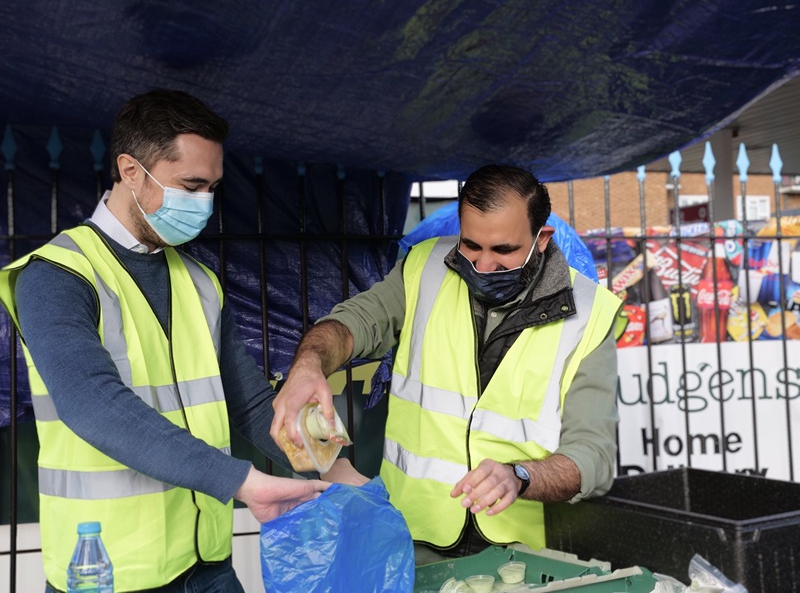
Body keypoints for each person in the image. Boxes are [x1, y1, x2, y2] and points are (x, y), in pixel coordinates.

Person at [0, 89, 329, 593]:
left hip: (206, 563)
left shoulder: (198, 281)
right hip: (107, 571)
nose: (203, 205)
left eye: (212, 188)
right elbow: (92, 405)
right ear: (130, 170)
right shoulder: (57, 276)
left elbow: (252, 403)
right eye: (191, 185)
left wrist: (333, 463)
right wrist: (242, 482)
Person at [270, 164, 621, 562]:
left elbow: (593, 455)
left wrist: (521, 476)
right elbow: (354, 323)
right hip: (413, 540)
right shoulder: (424, 268)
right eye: (471, 245)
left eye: (503, 250)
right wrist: (309, 364)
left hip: (522, 557)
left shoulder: (590, 315)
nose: (483, 265)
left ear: (542, 240)